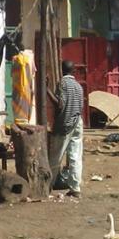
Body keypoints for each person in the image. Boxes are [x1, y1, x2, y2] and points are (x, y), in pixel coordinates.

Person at [48, 60, 84, 197]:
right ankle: (75, 189)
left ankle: (48, 185)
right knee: (75, 156)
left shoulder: (63, 83)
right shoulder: (78, 86)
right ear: (73, 71)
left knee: (56, 156)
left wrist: (47, 91)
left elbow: (60, 105)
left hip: (65, 124)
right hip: (77, 122)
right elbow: (80, 107)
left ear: (61, 70)